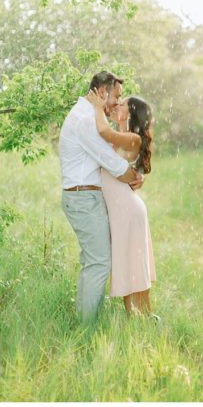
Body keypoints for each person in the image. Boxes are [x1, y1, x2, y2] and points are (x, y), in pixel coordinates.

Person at [58, 72, 144, 323]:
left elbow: (115, 155)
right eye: (116, 96)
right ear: (102, 92)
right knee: (99, 264)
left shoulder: (86, 116)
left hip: (84, 197)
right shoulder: (85, 120)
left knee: (93, 262)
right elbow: (112, 164)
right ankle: (88, 327)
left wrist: (136, 174)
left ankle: (85, 322)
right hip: (83, 199)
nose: (117, 102)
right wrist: (134, 177)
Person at [86, 90, 157, 317]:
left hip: (127, 209)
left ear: (131, 112)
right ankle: (131, 318)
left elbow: (104, 131)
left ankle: (146, 318)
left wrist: (98, 107)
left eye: (123, 104)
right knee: (125, 261)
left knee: (134, 262)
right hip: (121, 209)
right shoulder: (123, 135)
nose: (117, 104)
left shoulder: (132, 138)